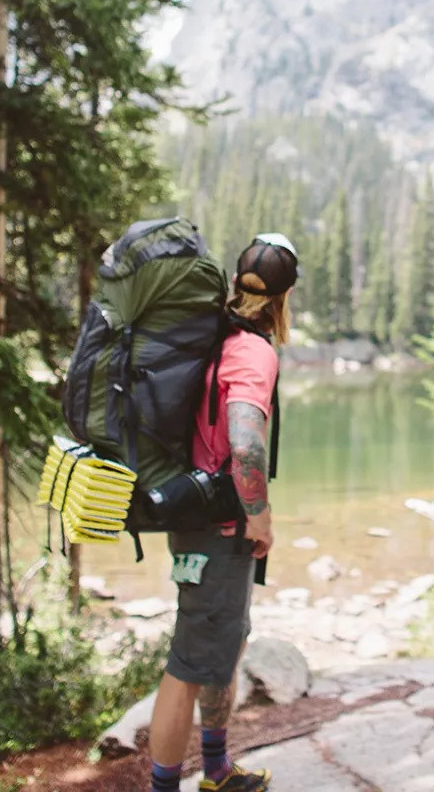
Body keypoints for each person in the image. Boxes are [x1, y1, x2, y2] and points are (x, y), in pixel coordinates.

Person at [147, 233, 299, 792]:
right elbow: (245, 440)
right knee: (187, 664)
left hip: (195, 512)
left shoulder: (213, 335)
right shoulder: (254, 350)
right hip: (219, 524)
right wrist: (258, 512)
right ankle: (165, 786)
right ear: (286, 297)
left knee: (224, 646)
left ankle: (215, 770)